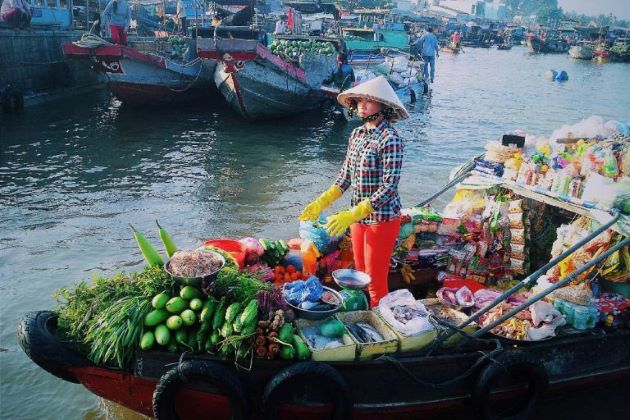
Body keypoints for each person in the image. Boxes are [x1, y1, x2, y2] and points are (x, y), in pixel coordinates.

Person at [299, 76, 410, 307]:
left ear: (383, 106)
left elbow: (388, 188)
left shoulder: (391, 139)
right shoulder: (357, 135)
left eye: (369, 100)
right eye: (360, 100)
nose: (362, 104)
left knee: (375, 281)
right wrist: (322, 201)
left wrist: (354, 213)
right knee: (358, 274)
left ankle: (382, 323)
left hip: (382, 219)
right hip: (358, 220)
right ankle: (363, 316)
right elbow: (345, 177)